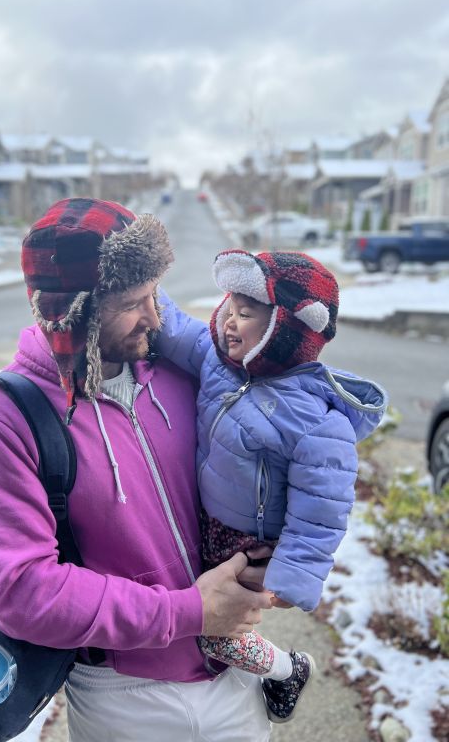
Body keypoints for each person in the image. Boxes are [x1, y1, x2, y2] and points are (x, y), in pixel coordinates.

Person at [0, 198, 273, 742]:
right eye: (131, 302)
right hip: (121, 696)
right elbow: (21, 591)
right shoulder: (3, 415)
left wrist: (272, 555)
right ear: (70, 313)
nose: (154, 317)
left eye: (155, 294)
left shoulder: (184, 369)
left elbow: (250, 468)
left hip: (235, 678)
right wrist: (190, 612)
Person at [158, 248, 387, 723]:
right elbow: (175, 328)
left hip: (251, 544)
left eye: (247, 314)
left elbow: (322, 508)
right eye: (229, 309)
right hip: (205, 517)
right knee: (190, 599)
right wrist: (135, 287)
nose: (229, 323)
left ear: (287, 331)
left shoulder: (315, 421)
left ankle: (286, 670)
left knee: (215, 631)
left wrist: (293, 575)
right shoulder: (218, 363)